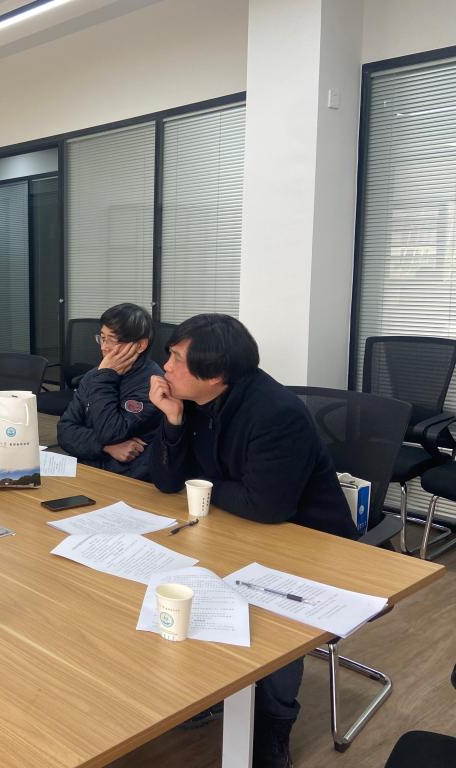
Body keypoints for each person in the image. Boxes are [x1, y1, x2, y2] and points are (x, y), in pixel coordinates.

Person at [148, 313, 355, 768]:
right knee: (167, 574)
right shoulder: (193, 401)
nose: (166, 366)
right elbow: (165, 481)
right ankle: (211, 687)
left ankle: (274, 724)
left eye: (177, 358)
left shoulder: (276, 413)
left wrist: (200, 483)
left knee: (273, 623)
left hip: (309, 542)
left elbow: (267, 506)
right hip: (232, 529)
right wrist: (174, 421)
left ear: (214, 374)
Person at [57, 303, 163, 480]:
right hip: (87, 468)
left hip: (127, 477)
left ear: (140, 345)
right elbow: (65, 431)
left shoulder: (153, 383)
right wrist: (105, 447)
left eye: (112, 340)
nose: (104, 347)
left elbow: (111, 432)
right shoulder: (95, 375)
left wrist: (105, 378)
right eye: (102, 338)